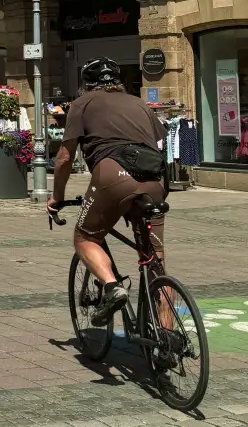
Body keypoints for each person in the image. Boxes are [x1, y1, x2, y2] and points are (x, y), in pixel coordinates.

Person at [46, 58, 167, 327]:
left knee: (85, 238)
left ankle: (113, 288)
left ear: (86, 84)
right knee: (155, 261)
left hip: (114, 176)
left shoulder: (82, 103)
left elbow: (65, 156)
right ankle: (168, 340)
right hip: (153, 180)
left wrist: (56, 196)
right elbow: (160, 141)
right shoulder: (139, 102)